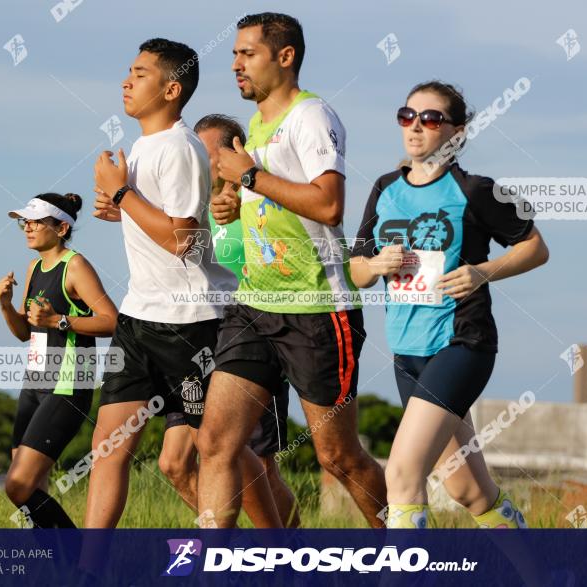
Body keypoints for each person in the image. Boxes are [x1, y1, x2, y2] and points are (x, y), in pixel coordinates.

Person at [196, 12, 386, 528]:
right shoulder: (256, 124)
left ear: (285, 56)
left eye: (247, 54)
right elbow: (274, 198)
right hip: (255, 306)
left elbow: (328, 206)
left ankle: (406, 544)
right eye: (234, 54)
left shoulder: (312, 117)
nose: (236, 65)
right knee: (215, 444)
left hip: (317, 311)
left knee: (338, 458)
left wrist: (251, 177)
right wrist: (236, 202)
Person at [86, 38, 281, 528]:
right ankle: (86, 570)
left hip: (191, 322)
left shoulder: (180, 147)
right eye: (128, 71)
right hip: (139, 316)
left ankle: (280, 546)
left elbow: (187, 242)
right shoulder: (143, 147)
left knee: (224, 450)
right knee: (108, 448)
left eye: (141, 73)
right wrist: (122, 209)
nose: (126, 81)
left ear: (172, 89)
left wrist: (123, 194)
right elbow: (165, 226)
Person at [349, 81, 550, 528]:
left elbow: (536, 248)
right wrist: (377, 264)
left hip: (461, 343)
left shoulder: (476, 190)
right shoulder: (385, 189)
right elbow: (356, 272)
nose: (416, 126)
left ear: (456, 132)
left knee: (401, 473)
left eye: (431, 118)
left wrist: (483, 271)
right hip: (407, 353)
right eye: (407, 116)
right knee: (468, 489)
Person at [0, 192, 118, 528]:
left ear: (62, 227)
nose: (28, 227)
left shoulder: (75, 266)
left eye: (36, 221)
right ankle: (57, 566)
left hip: (67, 386)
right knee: (30, 488)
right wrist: (6, 305)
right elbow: (25, 332)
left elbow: (112, 321)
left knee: (18, 485)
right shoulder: (35, 267)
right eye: (26, 221)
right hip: (33, 385)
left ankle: (80, 558)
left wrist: (59, 321)